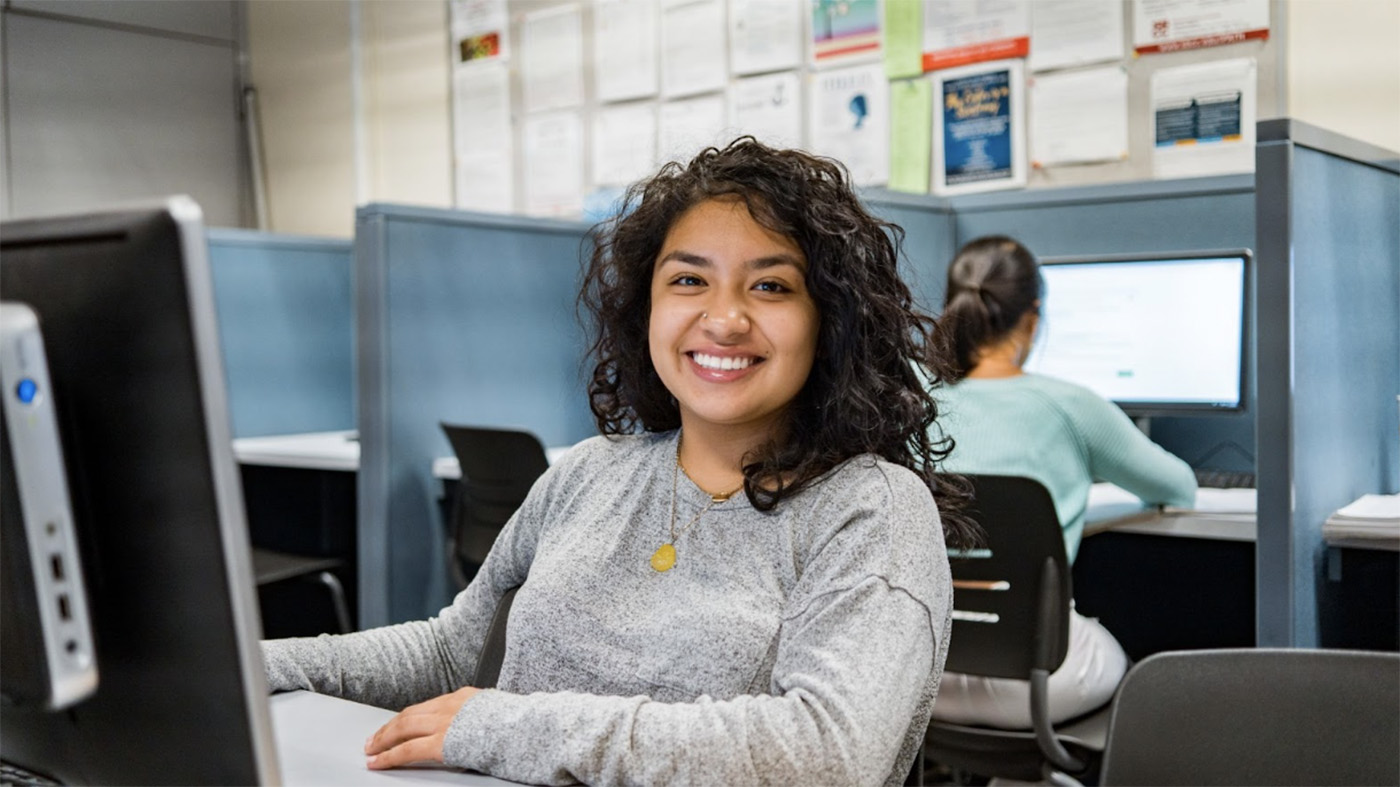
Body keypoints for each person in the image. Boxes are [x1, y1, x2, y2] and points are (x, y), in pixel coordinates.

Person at [262, 138, 978, 786]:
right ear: (647, 309)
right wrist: (251, 665)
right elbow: (450, 652)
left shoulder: (871, 509)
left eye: (770, 285)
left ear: (831, 320)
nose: (723, 318)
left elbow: (827, 753)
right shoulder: (588, 473)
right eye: (689, 280)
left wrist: (503, 725)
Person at [928, 235, 1197, 730]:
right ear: (1032, 318)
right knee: (1127, 653)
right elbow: (1179, 488)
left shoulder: (912, 402)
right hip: (1032, 684)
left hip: (919, 676)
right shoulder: (1071, 406)